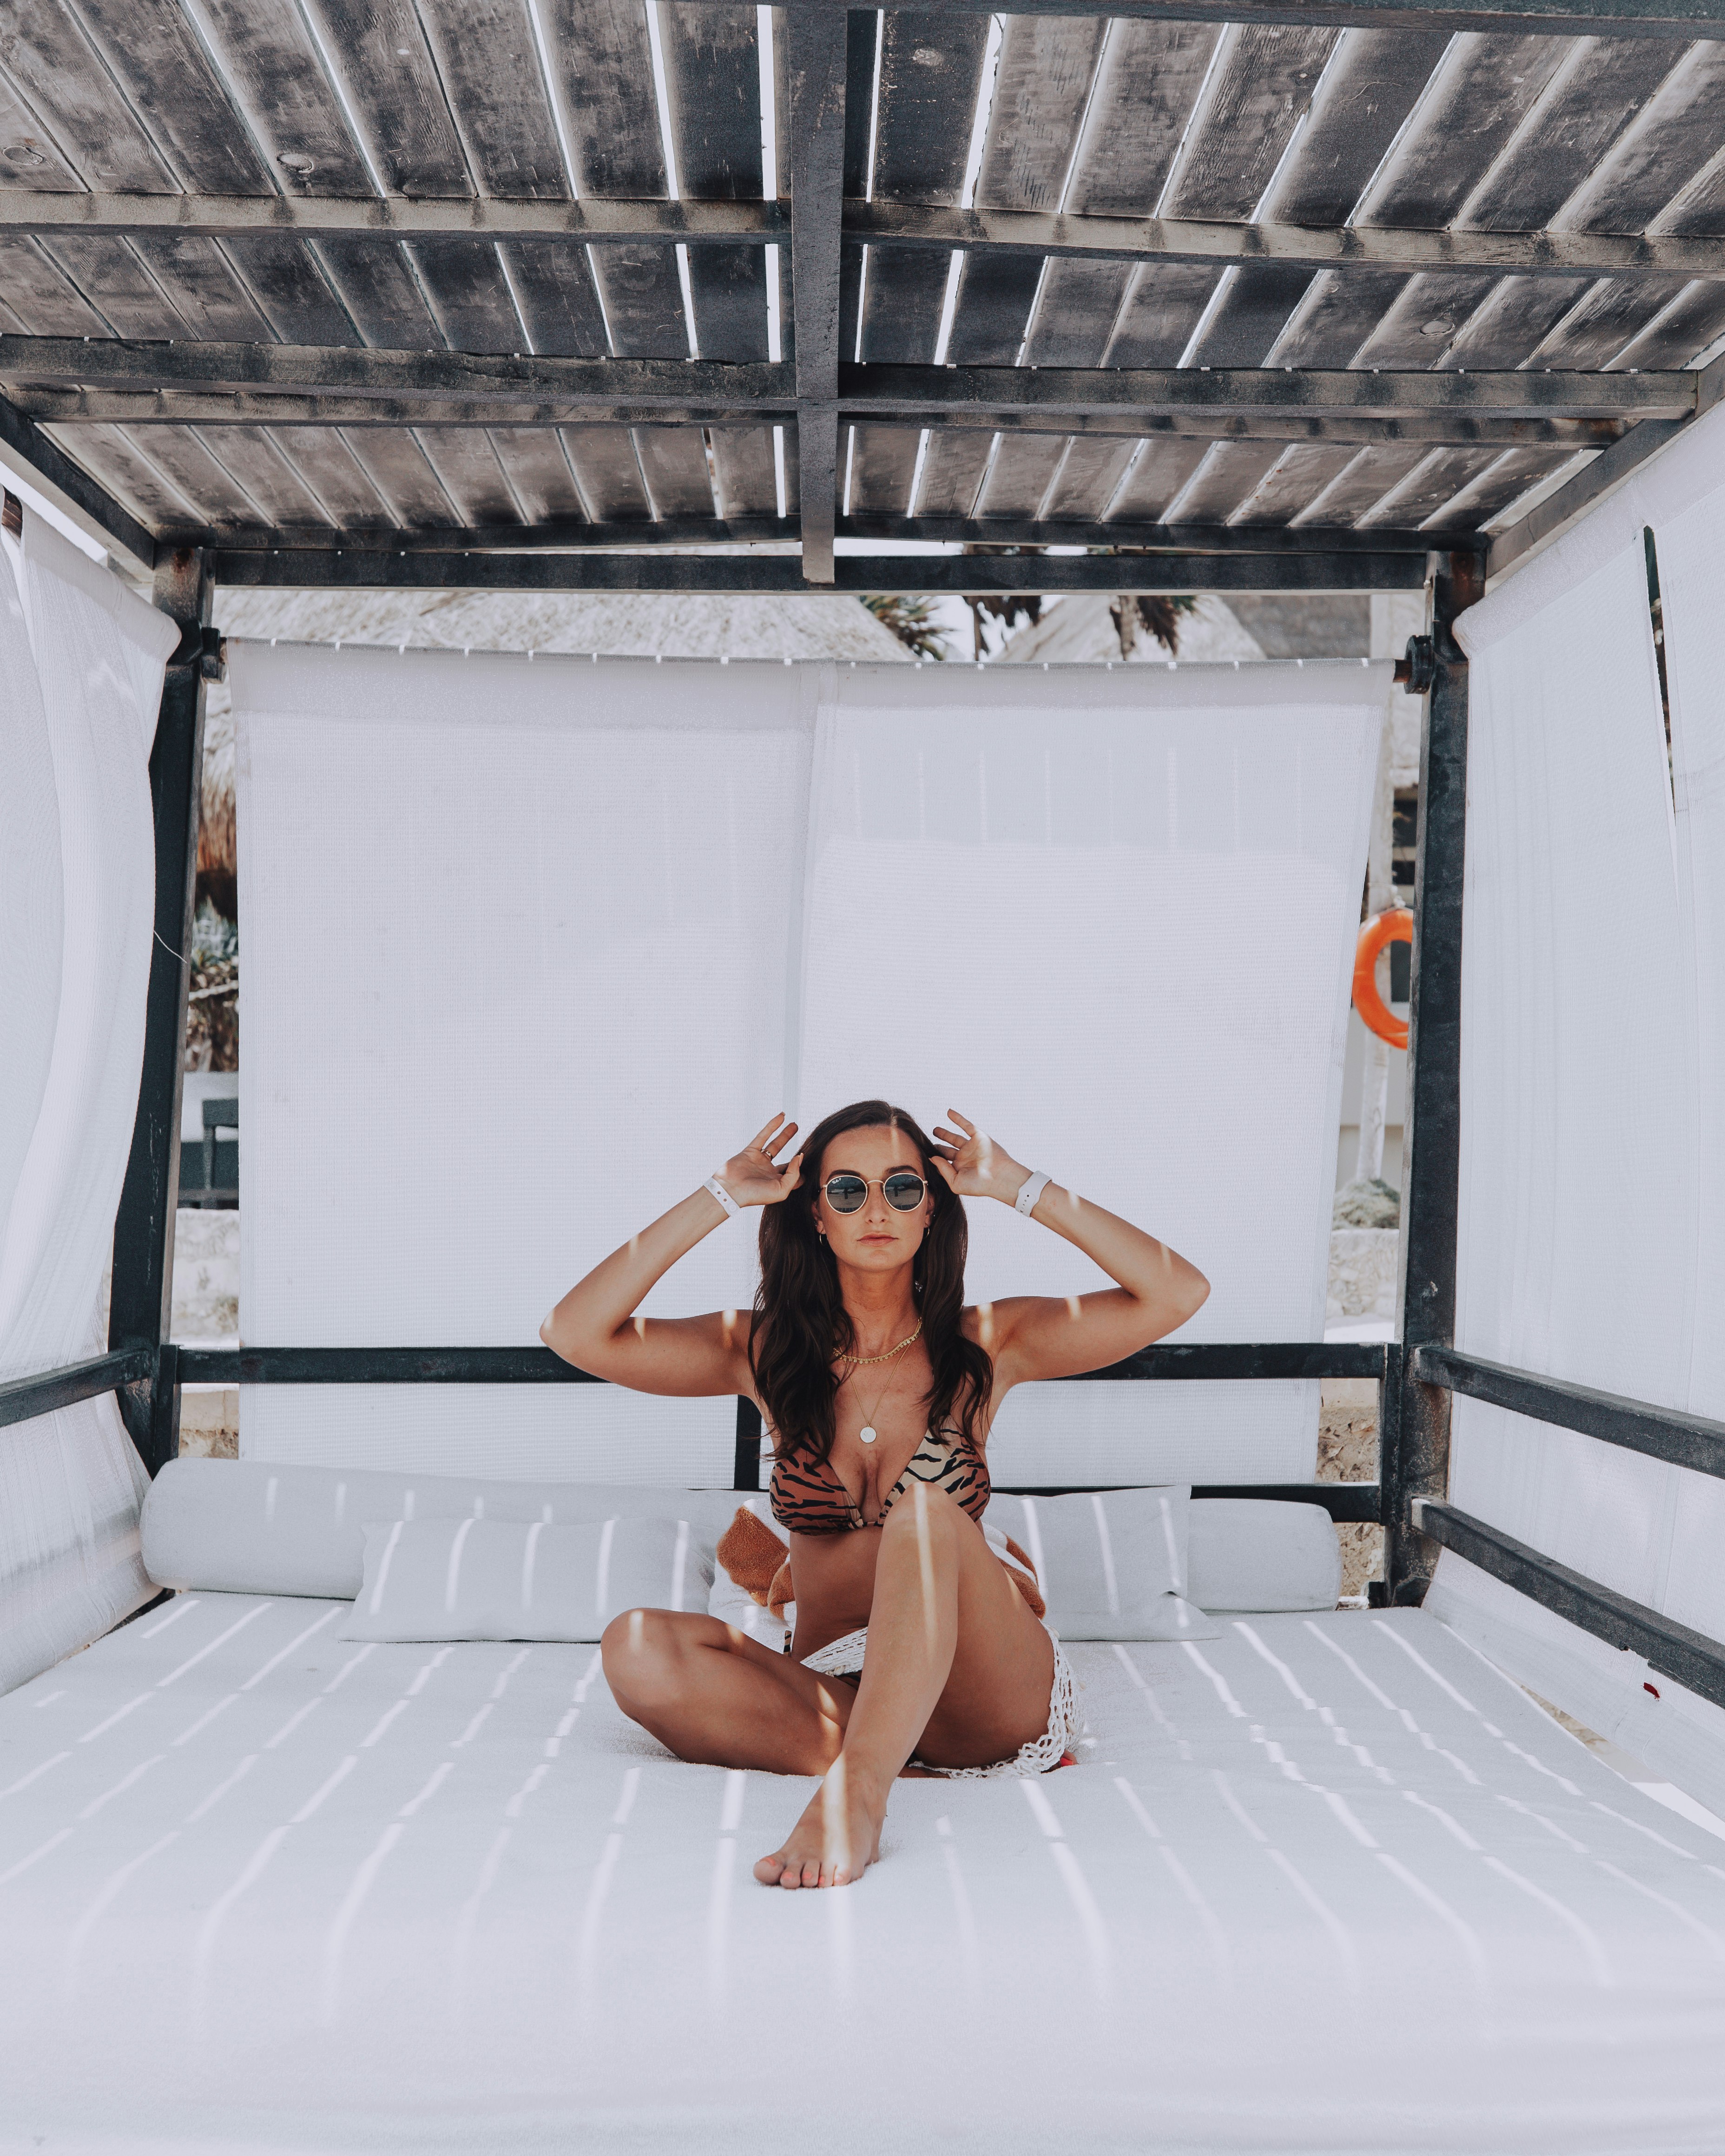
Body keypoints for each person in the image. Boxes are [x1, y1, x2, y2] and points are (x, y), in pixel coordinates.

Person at [540, 1100, 1209, 1889]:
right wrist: (722, 1194)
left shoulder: (991, 1342)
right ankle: (895, 1755)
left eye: (902, 1187)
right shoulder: (759, 1351)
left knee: (927, 1509)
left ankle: (860, 1791)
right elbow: (575, 1333)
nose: (878, 1209)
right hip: (834, 1689)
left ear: (933, 1207)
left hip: (984, 1691)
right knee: (637, 1645)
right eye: (848, 1191)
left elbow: (1177, 1293)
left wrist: (1019, 1186)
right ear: (815, 1215)